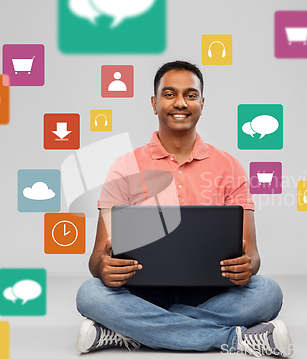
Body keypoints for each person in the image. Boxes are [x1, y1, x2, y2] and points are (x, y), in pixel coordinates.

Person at [75, 61, 293, 357]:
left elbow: (252, 255)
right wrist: (103, 267)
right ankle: (232, 338)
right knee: (90, 295)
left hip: (211, 292)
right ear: (154, 104)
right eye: (169, 94)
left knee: (267, 293)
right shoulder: (124, 166)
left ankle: (129, 331)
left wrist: (247, 267)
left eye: (191, 95)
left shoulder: (229, 166)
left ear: (202, 104)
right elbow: (97, 258)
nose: (180, 103)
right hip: (143, 292)